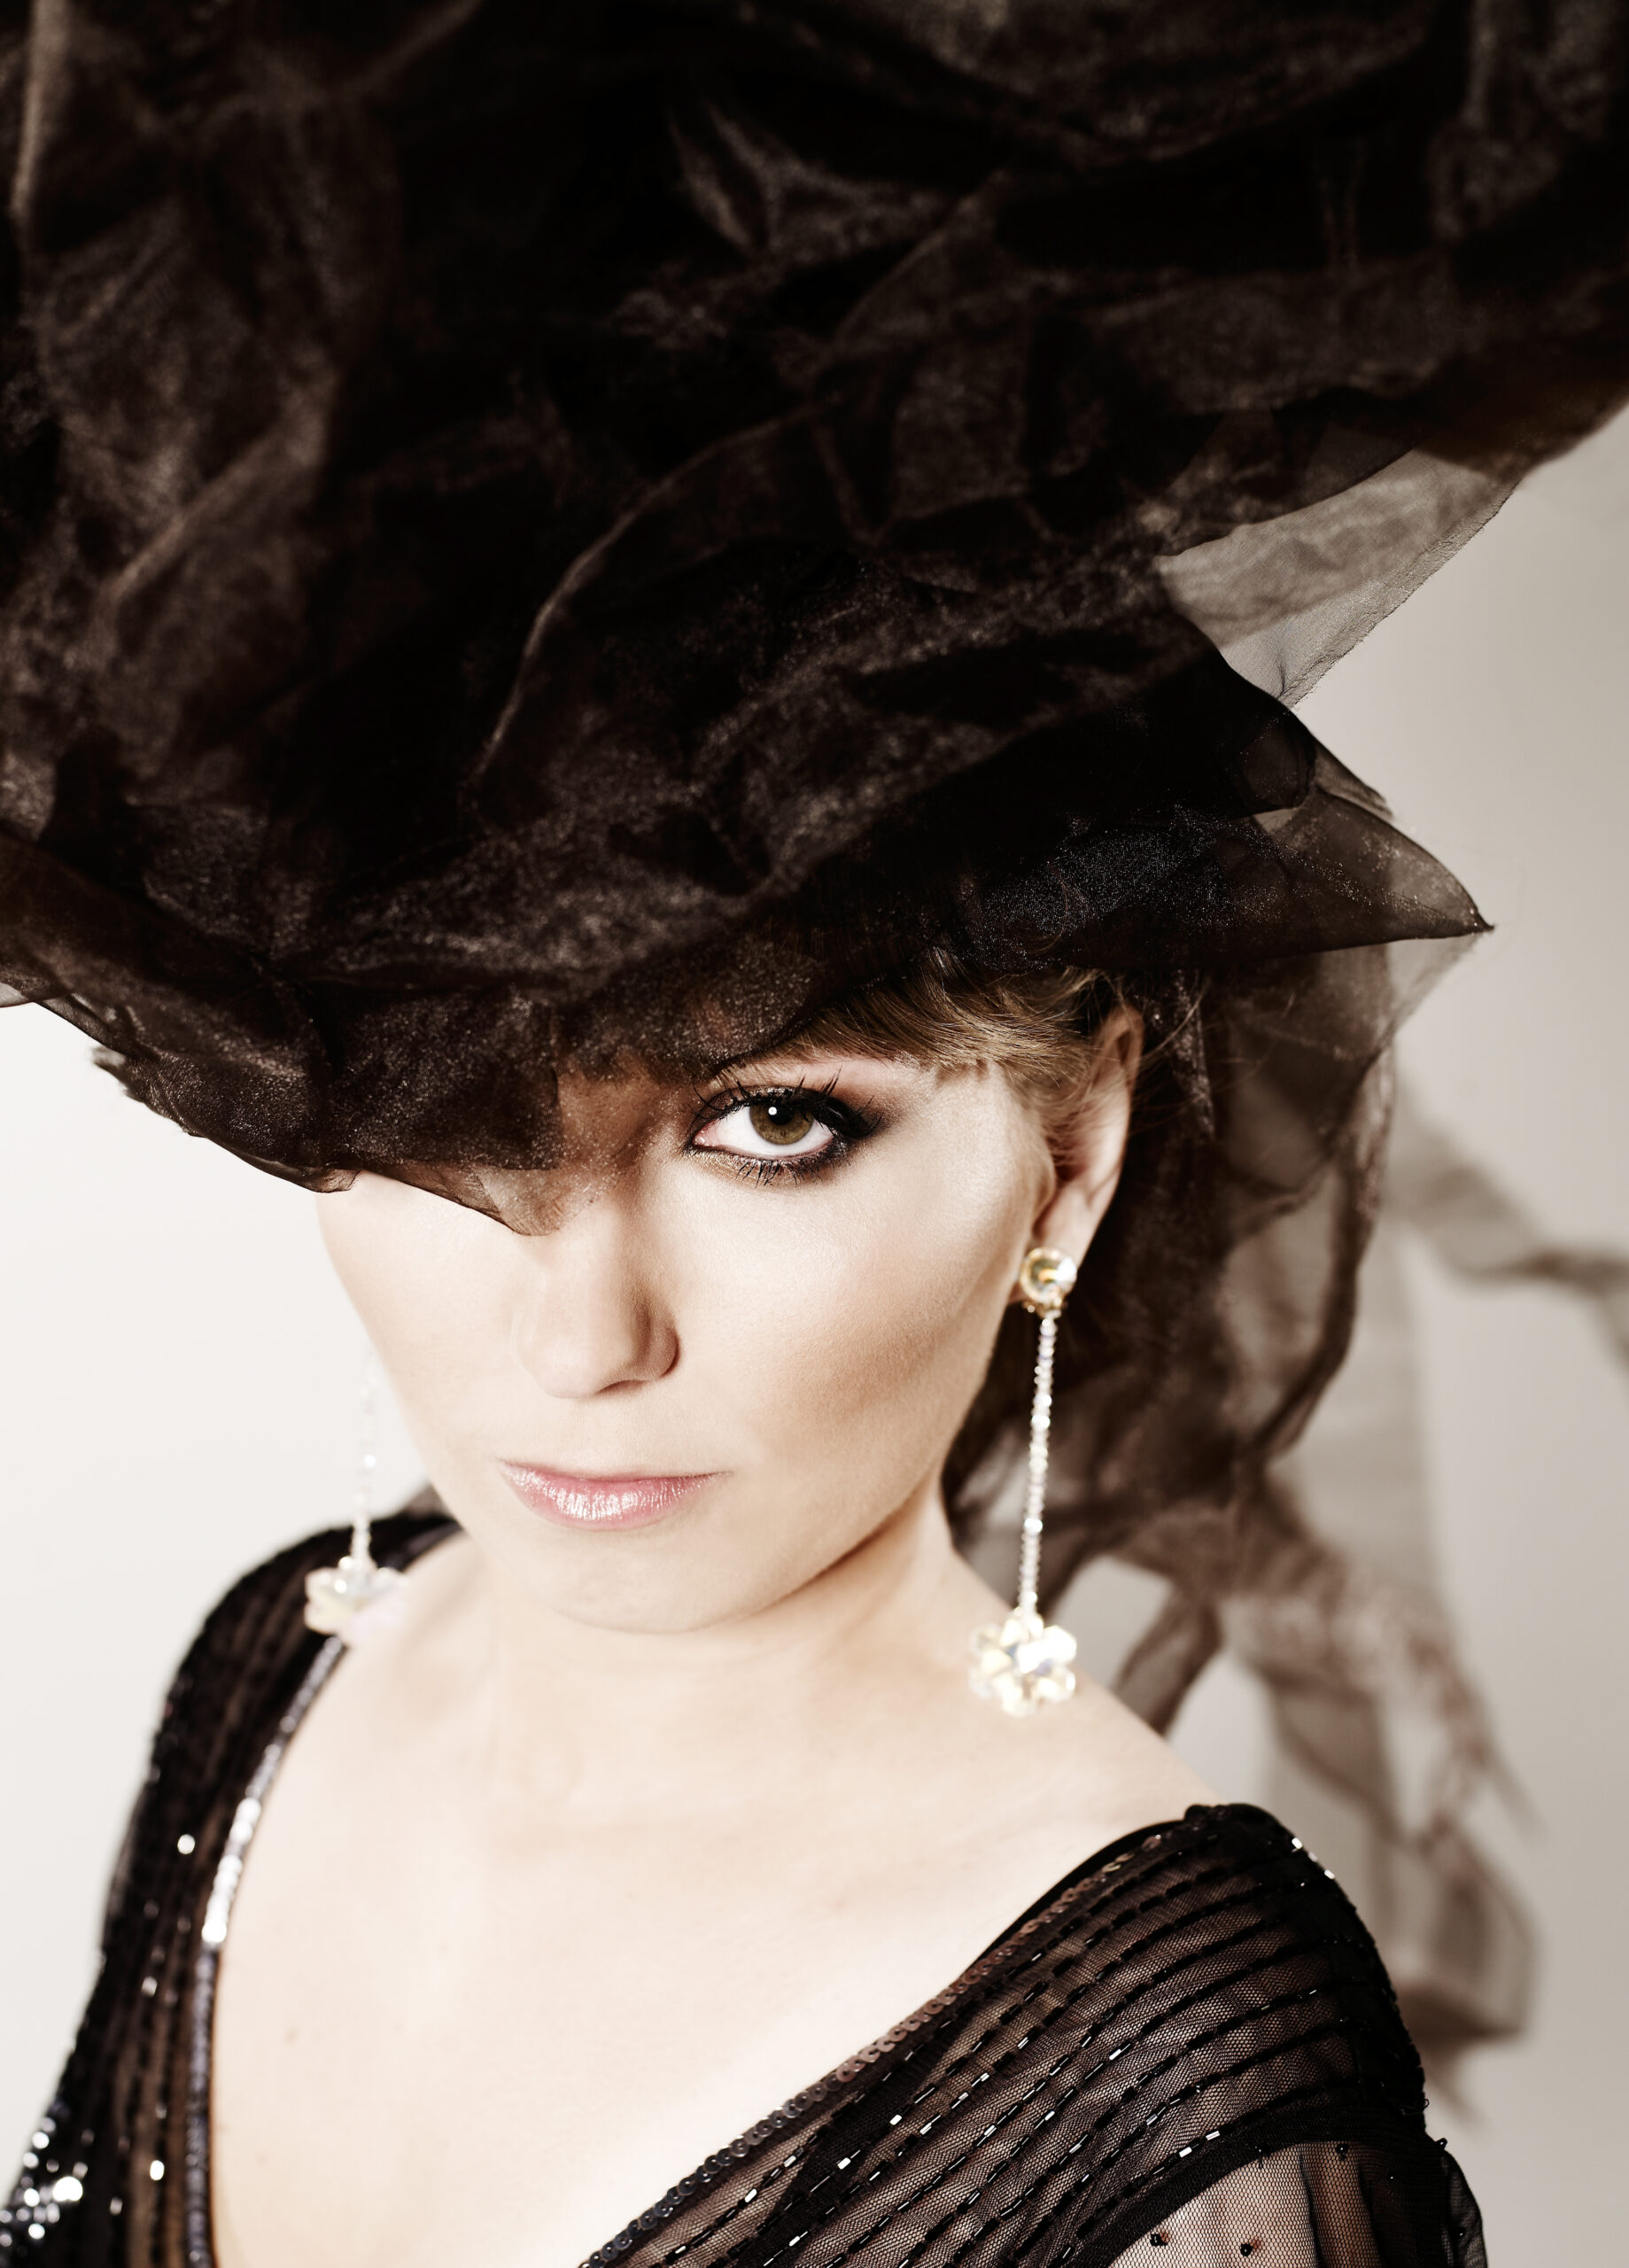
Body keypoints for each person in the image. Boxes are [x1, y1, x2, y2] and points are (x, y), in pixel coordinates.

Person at [3, 2, 1626, 2262]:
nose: (580, 1334)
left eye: (771, 1122)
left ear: (1070, 1148)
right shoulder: (281, 1670)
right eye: (444, 1111)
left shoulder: (1185, 2105)